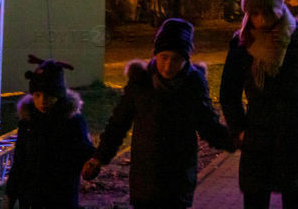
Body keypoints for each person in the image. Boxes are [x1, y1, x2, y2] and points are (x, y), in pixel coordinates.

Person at [83, 18, 233, 208]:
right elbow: (119, 122)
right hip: (146, 177)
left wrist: (233, 140)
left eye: (176, 59)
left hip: (179, 177)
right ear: (155, 55)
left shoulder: (193, 84)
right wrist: (99, 158)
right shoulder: (140, 81)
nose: (169, 66)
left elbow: (207, 124)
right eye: (164, 57)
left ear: (186, 59)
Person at [219, 0, 298, 209]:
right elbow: (228, 92)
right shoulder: (242, 43)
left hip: (297, 140)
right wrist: (240, 130)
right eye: (254, 14)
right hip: (258, 141)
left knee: (294, 201)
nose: (261, 20)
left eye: (267, 12)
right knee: (255, 201)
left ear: (280, 8)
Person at [5, 57, 94, 209]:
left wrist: (91, 163)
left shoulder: (72, 121)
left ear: (59, 95)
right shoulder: (28, 121)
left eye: (48, 95)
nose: (42, 101)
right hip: (30, 198)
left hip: (60, 197)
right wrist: (11, 194)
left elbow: (84, 152)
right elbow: (20, 160)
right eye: (37, 95)